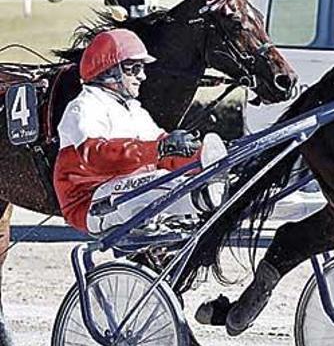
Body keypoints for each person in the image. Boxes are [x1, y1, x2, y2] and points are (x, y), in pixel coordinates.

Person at [54, 28, 226, 234]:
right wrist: (159, 147)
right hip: (89, 199)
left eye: (141, 69)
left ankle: (210, 184)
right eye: (134, 69)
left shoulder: (134, 109)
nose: (142, 76)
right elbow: (96, 157)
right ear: (109, 70)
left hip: (123, 190)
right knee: (159, 181)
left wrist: (196, 157)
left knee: (168, 178)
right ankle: (205, 196)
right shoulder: (84, 106)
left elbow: (165, 157)